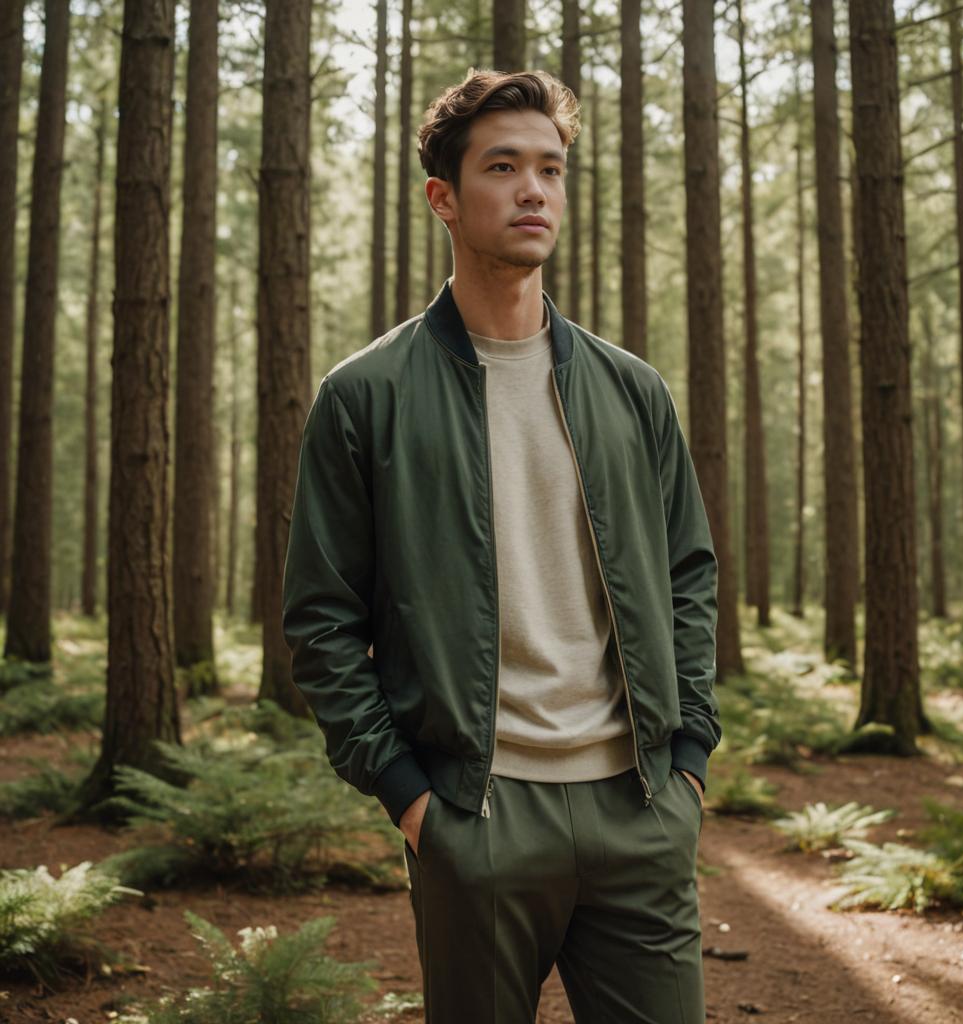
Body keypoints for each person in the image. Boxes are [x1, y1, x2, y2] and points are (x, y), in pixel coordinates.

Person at [282, 67, 721, 1024]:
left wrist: (688, 754)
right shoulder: (367, 396)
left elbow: (689, 571)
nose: (535, 190)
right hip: (474, 814)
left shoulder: (631, 390)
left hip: (640, 807)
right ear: (443, 197)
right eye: (505, 166)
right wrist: (410, 799)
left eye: (552, 170)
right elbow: (320, 619)